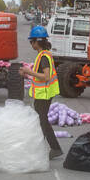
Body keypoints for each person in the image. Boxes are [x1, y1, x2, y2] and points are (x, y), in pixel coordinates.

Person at [26, 24, 63, 159]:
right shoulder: (44, 54)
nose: (31, 44)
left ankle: (55, 148)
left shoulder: (43, 57)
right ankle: (42, 148)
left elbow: (46, 76)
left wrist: (29, 72)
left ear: (37, 42)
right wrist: (28, 74)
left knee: (43, 121)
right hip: (44, 94)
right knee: (41, 121)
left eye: (32, 41)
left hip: (44, 94)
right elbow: (40, 75)